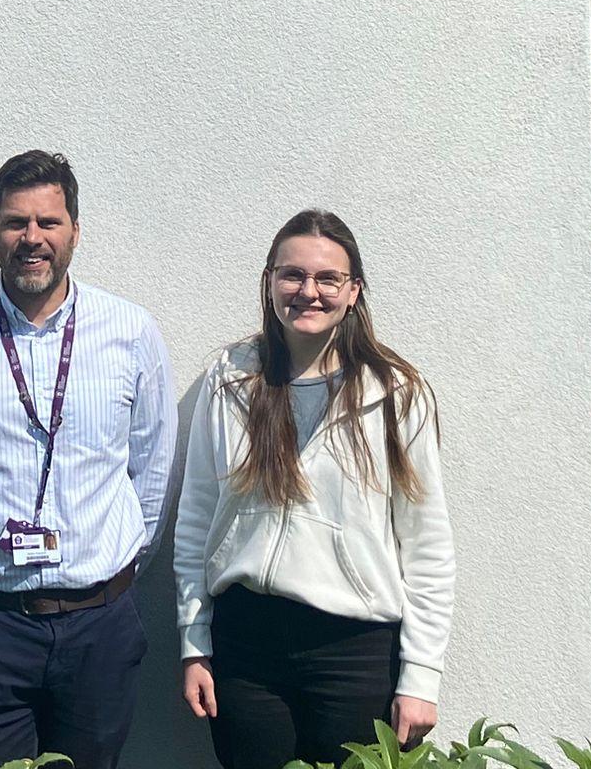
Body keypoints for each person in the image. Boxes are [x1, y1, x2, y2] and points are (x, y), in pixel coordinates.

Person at [0, 149, 176, 769]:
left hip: (100, 624)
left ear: (75, 229)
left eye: (48, 223)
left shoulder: (131, 332)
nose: (32, 239)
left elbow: (153, 473)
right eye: (14, 222)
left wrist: (115, 564)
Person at [173, 209, 453, 769]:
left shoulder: (396, 394)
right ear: (270, 282)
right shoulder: (232, 380)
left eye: (328, 279)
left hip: (354, 653)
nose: (309, 292)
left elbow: (426, 544)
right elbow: (197, 519)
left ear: (353, 291)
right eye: (292, 275)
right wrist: (193, 640)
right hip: (247, 650)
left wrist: (422, 675)